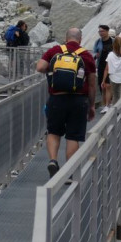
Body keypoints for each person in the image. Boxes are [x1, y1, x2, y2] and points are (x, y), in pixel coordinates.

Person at [36, 27, 98, 177]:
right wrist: (91, 105)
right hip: (78, 101)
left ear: (66, 37)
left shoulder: (55, 50)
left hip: (57, 98)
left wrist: (53, 71)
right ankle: (69, 172)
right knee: (73, 136)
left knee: (54, 132)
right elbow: (91, 84)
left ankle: (53, 160)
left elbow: (40, 67)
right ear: (80, 39)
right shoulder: (86, 55)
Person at [101, 35, 121, 112]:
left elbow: (106, 69)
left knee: (115, 96)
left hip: (113, 78)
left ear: (113, 45)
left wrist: (103, 80)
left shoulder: (110, 55)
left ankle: (115, 113)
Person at [92, 25, 113, 108]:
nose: (101, 33)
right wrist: (95, 56)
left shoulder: (113, 41)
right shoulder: (98, 42)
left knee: (108, 84)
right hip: (101, 65)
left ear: (107, 31)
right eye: (99, 31)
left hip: (111, 66)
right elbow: (94, 53)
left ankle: (109, 102)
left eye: (102, 31)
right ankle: (105, 103)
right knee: (102, 84)